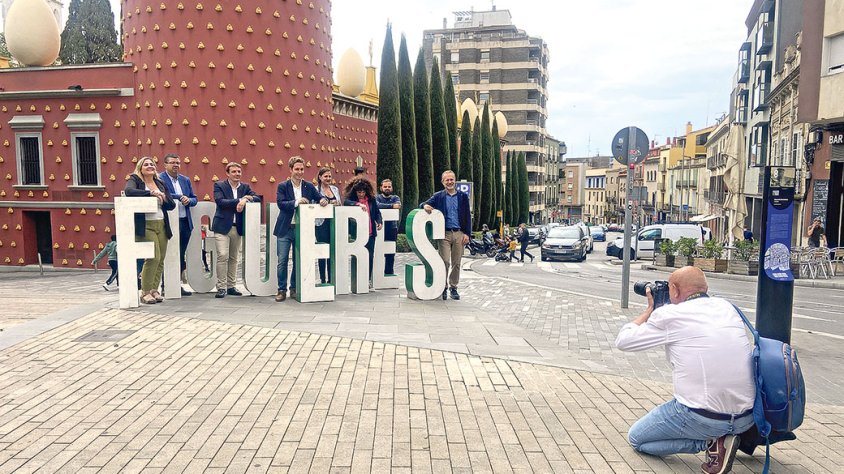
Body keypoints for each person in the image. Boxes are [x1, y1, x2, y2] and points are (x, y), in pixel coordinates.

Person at [615, 266, 755, 474]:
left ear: (674, 289)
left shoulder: (670, 315)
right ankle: (724, 438)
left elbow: (623, 341)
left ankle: (710, 443)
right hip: (746, 418)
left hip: (702, 417)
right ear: (705, 288)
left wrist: (649, 311)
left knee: (637, 439)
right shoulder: (727, 307)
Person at [273, 156, 328, 302]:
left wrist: (323, 200)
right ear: (291, 170)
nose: (299, 172)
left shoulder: (308, 186)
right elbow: (281, 204)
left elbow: (320, 197)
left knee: (299, 260)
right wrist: (297, 202)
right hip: (285, 228)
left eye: (302, 169)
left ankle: (294, 288)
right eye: (297, 169)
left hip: (302, 229)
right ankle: (281, 290)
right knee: (282, 260)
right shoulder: (282, 186)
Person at [124, 157, 176, 304]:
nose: (150, 166)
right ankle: (145, 292)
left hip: (162, 223)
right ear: (140, 168)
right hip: (146, 224)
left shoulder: (160, 183)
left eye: (152, 164)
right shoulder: (135, 180)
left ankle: (154, 290)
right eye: (146, 164)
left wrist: (164, 198)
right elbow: (129, 191)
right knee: (153, 257)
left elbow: (171, 204)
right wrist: (150, 194)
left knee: (161, 259)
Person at [211, 162, 261, 298]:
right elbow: (221, 201)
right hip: (222, 227)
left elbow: (257, 198)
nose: (237, 174)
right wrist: (240, 200)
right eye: (234, 171)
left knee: (233, 258)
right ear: (227, 173)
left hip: (237, 227)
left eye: (239, 171)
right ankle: (221, 287)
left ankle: (231, 286)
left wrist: (246, 199)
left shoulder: (245, 187)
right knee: (223, 256)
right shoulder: (219, 185)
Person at [421, 170, 472, 300]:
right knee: (444, 261)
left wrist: (467, 233)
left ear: (455, 180)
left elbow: (467, 216)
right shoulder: (438, 196)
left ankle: (453, 287)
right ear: (443, 182)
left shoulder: (463, 196)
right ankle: (442, 287)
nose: (449, 182)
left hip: (459, 233)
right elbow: (423, 204)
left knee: (457, 262)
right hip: (444, 234)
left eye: (451, 179)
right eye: (447, 180)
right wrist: (426, 206)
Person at [159, 153, 198, 296]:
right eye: (172, 163)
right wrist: (180, 197)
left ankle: (176, 284)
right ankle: (166, 286)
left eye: (178, 163)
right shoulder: (160, 178)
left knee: (180, 255)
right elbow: (164, 195)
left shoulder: (185, 180)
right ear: (165, 165)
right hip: (169, 222)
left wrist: (189, 200)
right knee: (169, 254)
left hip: (185, 221)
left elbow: (194, 198)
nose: (176, 165)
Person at [344, 176, 383, 287]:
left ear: (366, 191)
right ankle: (358, 279)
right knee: (358, 257)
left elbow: (377, 213)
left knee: (370, 257)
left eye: (363, 192)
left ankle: (368, 279)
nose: (361, 194)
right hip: (358, 235)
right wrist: (358, 204)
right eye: (359, 192)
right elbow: (346, 202)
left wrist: (379, 222)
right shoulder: (352, 200)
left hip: (370, 233)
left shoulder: (371, 200)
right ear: (355, 191)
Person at [315, 167, 340, 284]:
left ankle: (331, 278)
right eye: (325, 176)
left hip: (333, 222)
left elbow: (339, 203)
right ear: (320, 177)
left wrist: (337, 203)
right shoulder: (316, 190)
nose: (328, 178)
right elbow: (313, 204)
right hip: (321, 224)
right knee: (322, 251)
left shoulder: (335, 189)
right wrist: (328, 203)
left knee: (331, 251)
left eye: (329, 176)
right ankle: (322, 279)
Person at [376, 178, 401, 276]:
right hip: (379, 228)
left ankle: (389, 272)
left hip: (392, 228)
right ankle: (378, 274)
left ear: (392, 188)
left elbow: (398, 205)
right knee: (378, 251)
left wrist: (388, 206)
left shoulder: (395, 197)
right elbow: (377, 205)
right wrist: (391, 206)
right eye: (385, 186)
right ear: (381, 188)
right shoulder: (377, 197)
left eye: (389, 186)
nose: (387, 188)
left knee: (390, 253)